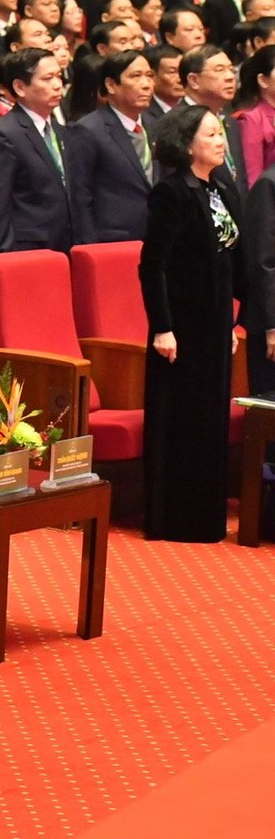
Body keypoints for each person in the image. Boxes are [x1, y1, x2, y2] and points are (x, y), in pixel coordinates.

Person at [140, 103, 245, 543]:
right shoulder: (172, 192)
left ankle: (206, 516)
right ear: (186, 145)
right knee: (183, 419)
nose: (220, 141)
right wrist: (162, 326)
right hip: (180, 325)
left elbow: (228, 256)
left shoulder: (219, 185)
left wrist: (234, 322)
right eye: (210, 135)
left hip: (214, 321)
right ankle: (175, 518)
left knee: (210, 418)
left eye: (221, 133)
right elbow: (153, 266)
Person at [0, 46, 75, 253]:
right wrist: (7, 259)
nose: (58, 85)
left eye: (58, 76)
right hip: (30, 249)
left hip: (68, 244)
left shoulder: (60, 130)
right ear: (20, 87)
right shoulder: (3, 135)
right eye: (48, 78)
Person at [68, 50, 158, 244]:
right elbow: (80, 197)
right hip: (112, 241)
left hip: (157, 238)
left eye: (149, 76)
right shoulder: (88, 130)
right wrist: (90, 247)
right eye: (135, 76)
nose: (146, 84)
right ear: (111, 85)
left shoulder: (157, 125)